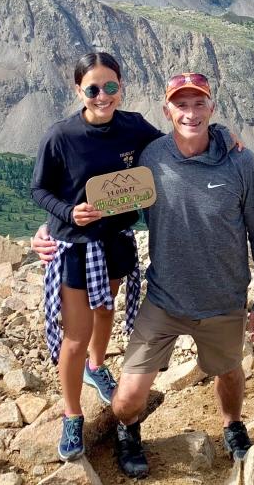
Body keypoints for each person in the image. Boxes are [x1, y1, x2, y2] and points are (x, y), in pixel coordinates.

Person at [33, 72, 254, 478]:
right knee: (125, 403)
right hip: (164, 300)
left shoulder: (240, 161)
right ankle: (128, 429)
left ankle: (232, 424)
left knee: (229, 373)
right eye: (181, 105)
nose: (191, 113)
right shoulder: (151, 156)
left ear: (212, 108)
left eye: (200, 104)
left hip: (223, 300)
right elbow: (92, 194)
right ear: (167, 111)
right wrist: (49, 230)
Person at [32, 52, 162, 462]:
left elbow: (169, 148)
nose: (102, 96)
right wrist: (68, 213)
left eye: (110, 87)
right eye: (92, 89)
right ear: (78, 91)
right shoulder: (61, 136)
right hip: (76, 245)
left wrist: (223, 135)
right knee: (75, 333)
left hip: (116, 239)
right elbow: (39, 190)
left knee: (105, 310)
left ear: (121, 86)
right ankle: (72, 415)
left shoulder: (134, 127)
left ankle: (96, 366)